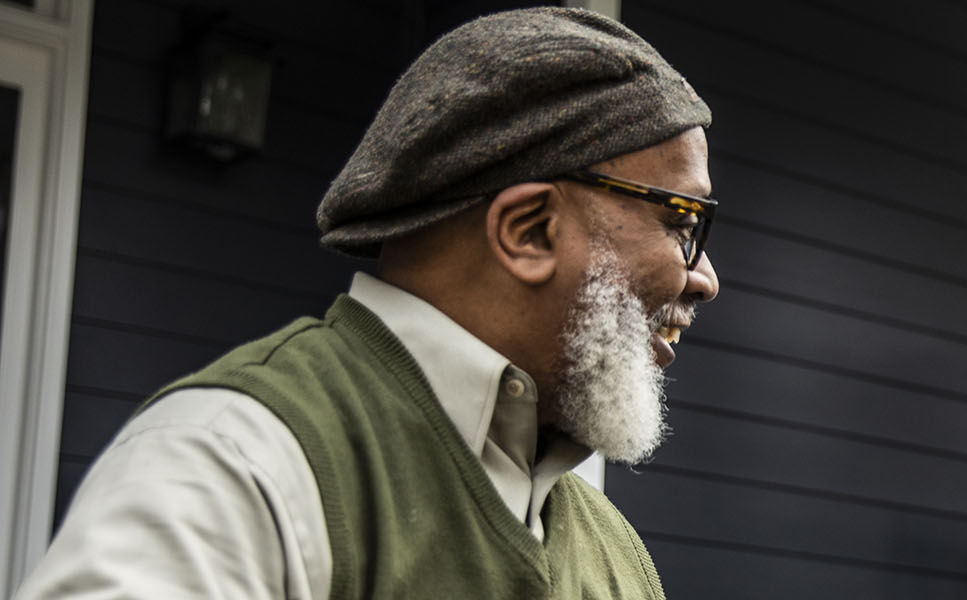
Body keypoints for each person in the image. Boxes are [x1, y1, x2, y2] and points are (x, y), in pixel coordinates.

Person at [16, 8, 717, 599]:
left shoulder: (614, 553)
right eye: (683, 224)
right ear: (528, 230)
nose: (706, 277)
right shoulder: (241, 466)